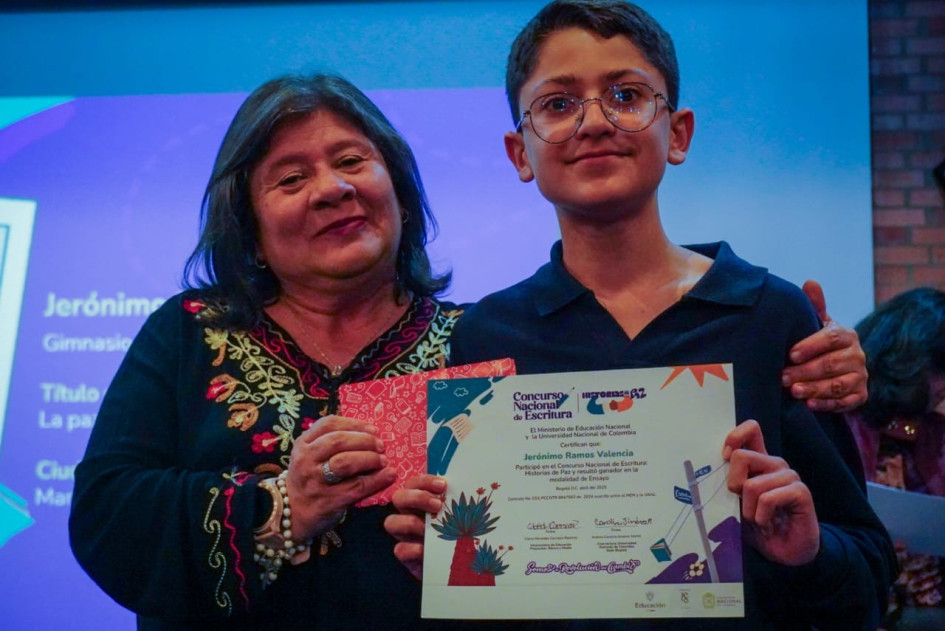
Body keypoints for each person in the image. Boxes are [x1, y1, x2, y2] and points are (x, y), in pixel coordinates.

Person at [69, 74, 864, 629]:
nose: (332, 188)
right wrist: (282, 507)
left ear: (398, 190)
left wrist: (806, 357)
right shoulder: (191, 331)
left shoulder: (478, 341)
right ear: (247, 222)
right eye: (289, 177)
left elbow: (599, 492)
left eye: (351, 161)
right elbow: (106, 516)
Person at [386, 2, 896, 629]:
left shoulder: (770, 315)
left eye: (626, 96)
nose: (594, 122)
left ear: (677, 133)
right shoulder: (489, 334)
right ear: (520, 153)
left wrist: (809, 553)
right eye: (558, 104)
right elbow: (491, 590)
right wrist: (451, 564)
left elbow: (868, 576)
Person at [846, 287, 945, 627]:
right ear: (911, 361)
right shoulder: (840, 422)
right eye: (940, 368)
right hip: (861, 603)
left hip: (928, 604)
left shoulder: (931, 430)